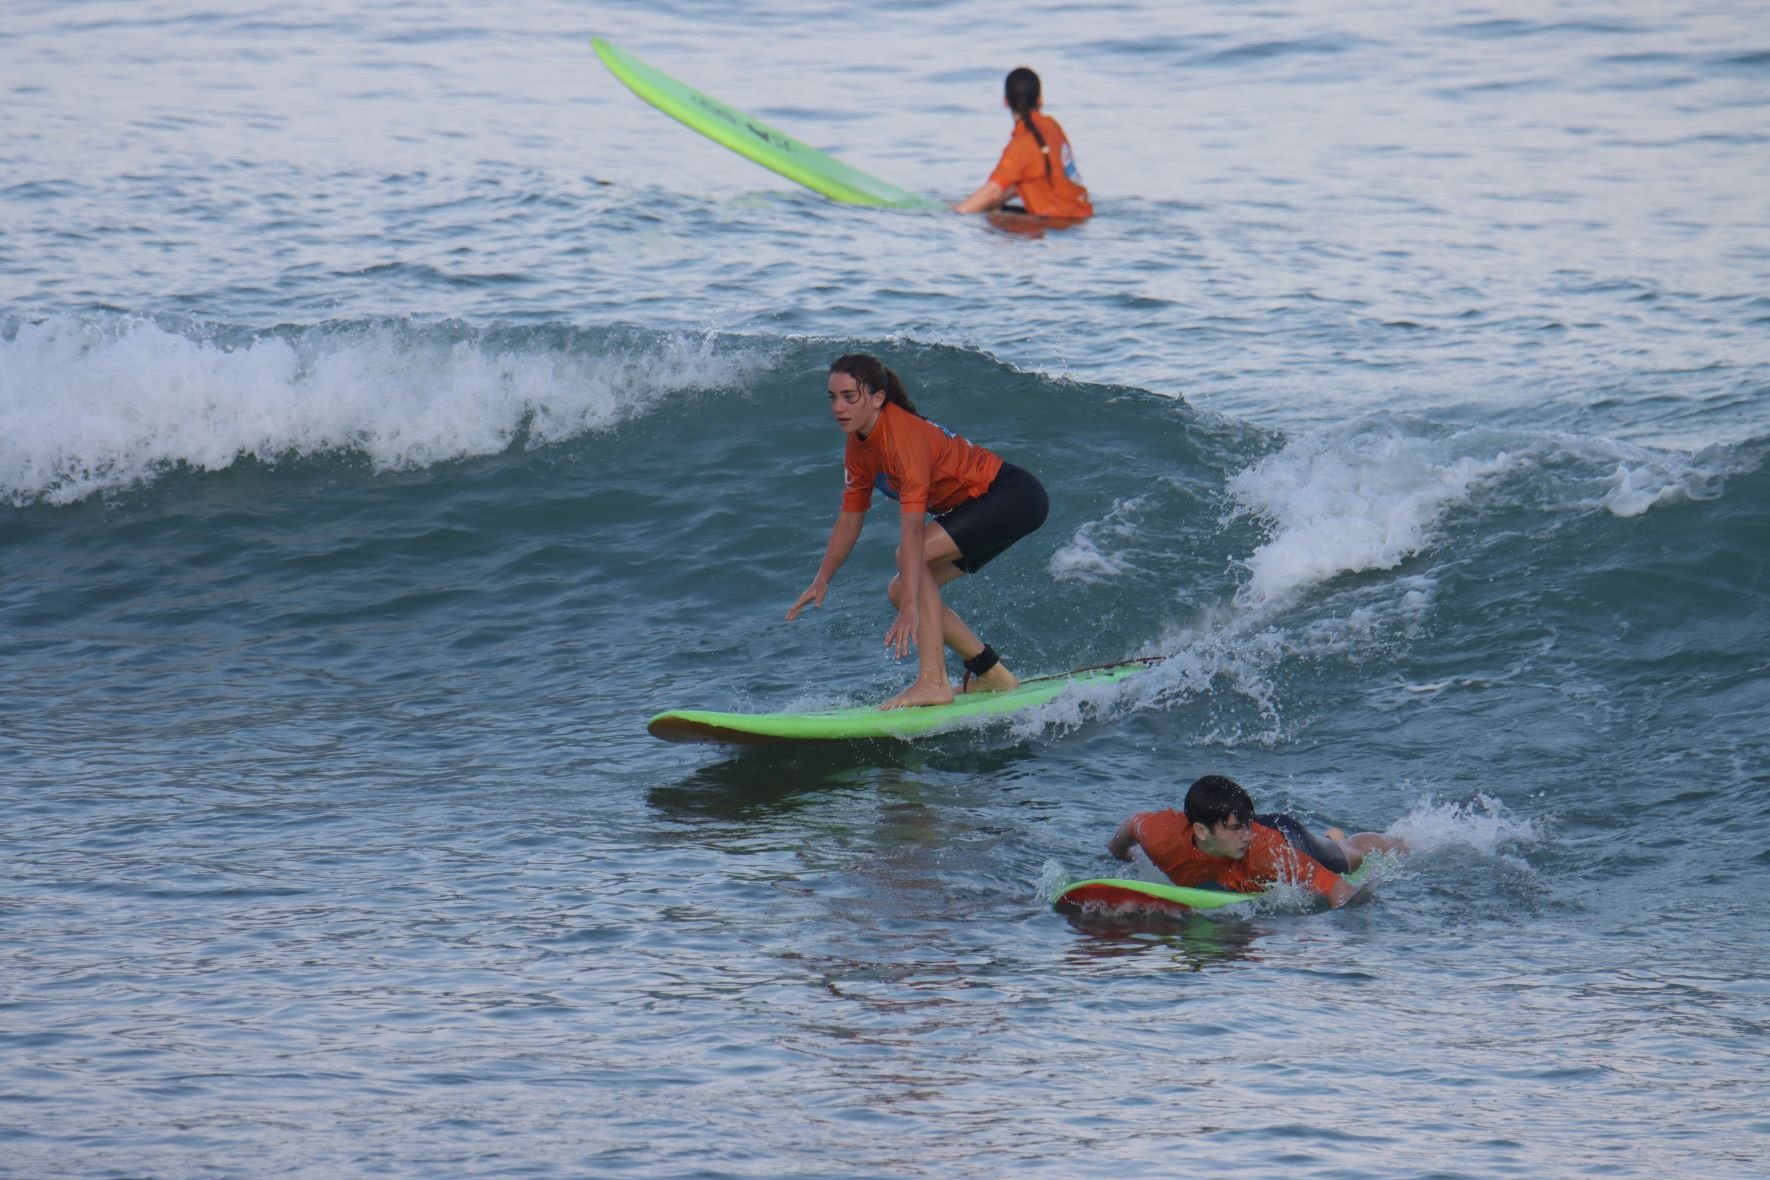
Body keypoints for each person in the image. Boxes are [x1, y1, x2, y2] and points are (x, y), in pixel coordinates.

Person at [786, 354, 1049, 710]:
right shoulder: (859, 446)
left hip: (1011, 496)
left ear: (877, 398)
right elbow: (850, 519)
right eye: (832, 397)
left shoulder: (902, 438)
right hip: (983, 506)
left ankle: (933, 682)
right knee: (898, 587)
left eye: (850, 396)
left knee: (911, 564)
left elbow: (912, 531)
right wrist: (823, 577)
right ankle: (991, 673)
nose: (839, 407)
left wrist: (911, 606)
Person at [1106, 774, 1409, 908]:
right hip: (1244, 831)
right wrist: (1119, 854)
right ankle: (1333, 834)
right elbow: (1130, 827)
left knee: (1346, 857)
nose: (1246, 836)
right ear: (1200, 831)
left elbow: (1335, 886)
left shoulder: (1265, 850)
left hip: (1289, 838)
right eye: (1237, 829)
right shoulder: (1163, 835)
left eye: (1246, 828)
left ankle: (1400, 839)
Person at [954, 67, 1093, 220]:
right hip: (1082, 217)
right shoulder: (1053, 127)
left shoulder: (1021, 146)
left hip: (1056, 224)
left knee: (992, 224)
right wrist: (990, 202)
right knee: (993, 212)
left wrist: (955, 214)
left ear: (1006, 101)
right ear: (1040, 100)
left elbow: (991, 191)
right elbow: (1036, 175)